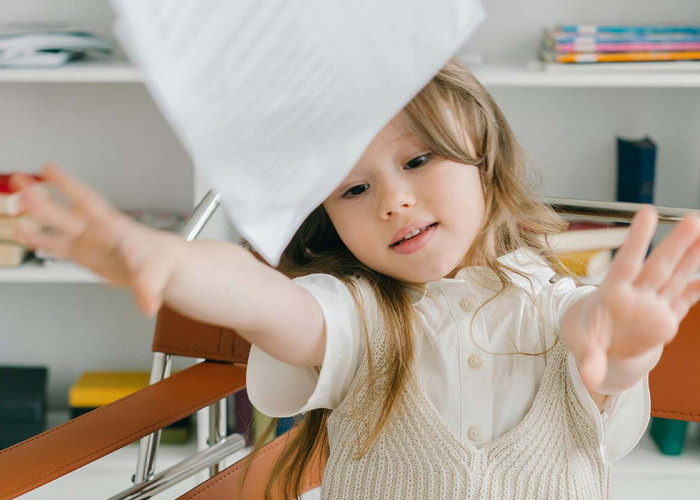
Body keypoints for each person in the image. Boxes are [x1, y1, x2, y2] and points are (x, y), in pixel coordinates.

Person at [11, 58, 700, 499]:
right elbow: (264, 302)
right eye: (353, 190)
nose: (392, 200)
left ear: (484, 159)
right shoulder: (357, 314)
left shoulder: (558, 305)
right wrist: (164, 258)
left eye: (421, 159)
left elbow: (597, 349)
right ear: (327, 220)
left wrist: (630, 346)